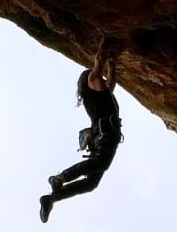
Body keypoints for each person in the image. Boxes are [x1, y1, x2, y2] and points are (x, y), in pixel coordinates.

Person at [39, 42, 122, 222]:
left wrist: (113, 64)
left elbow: (112, 82)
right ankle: (59, 178)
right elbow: (98, 66)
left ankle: (51, 199)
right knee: (102, 163)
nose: (104, 81)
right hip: (105, 135)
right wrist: (104, 46)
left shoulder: (101, 96)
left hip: (103, 136)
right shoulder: (93, 80)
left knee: (92, 183)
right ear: (89, 79)